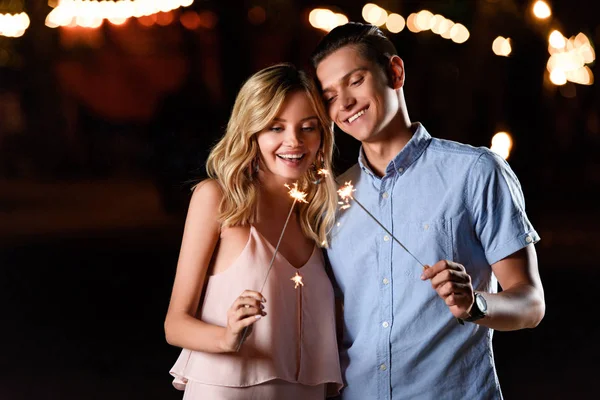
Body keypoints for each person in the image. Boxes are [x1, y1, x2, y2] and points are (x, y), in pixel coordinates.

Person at [310, 22, 545, 399]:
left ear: (395, 72)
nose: (345, 103)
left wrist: (475, 303)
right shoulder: (332, 196)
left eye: (355, 81)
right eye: (330, 96)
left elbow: (530, 303)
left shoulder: (475, 172)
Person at [164, 63, 343, 399]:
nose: (294, 141)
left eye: (308, 127)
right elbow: (175, 324)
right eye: (275, 127)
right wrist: (226, 336)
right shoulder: (217, 199)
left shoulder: (319, 214)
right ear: (252, 131)